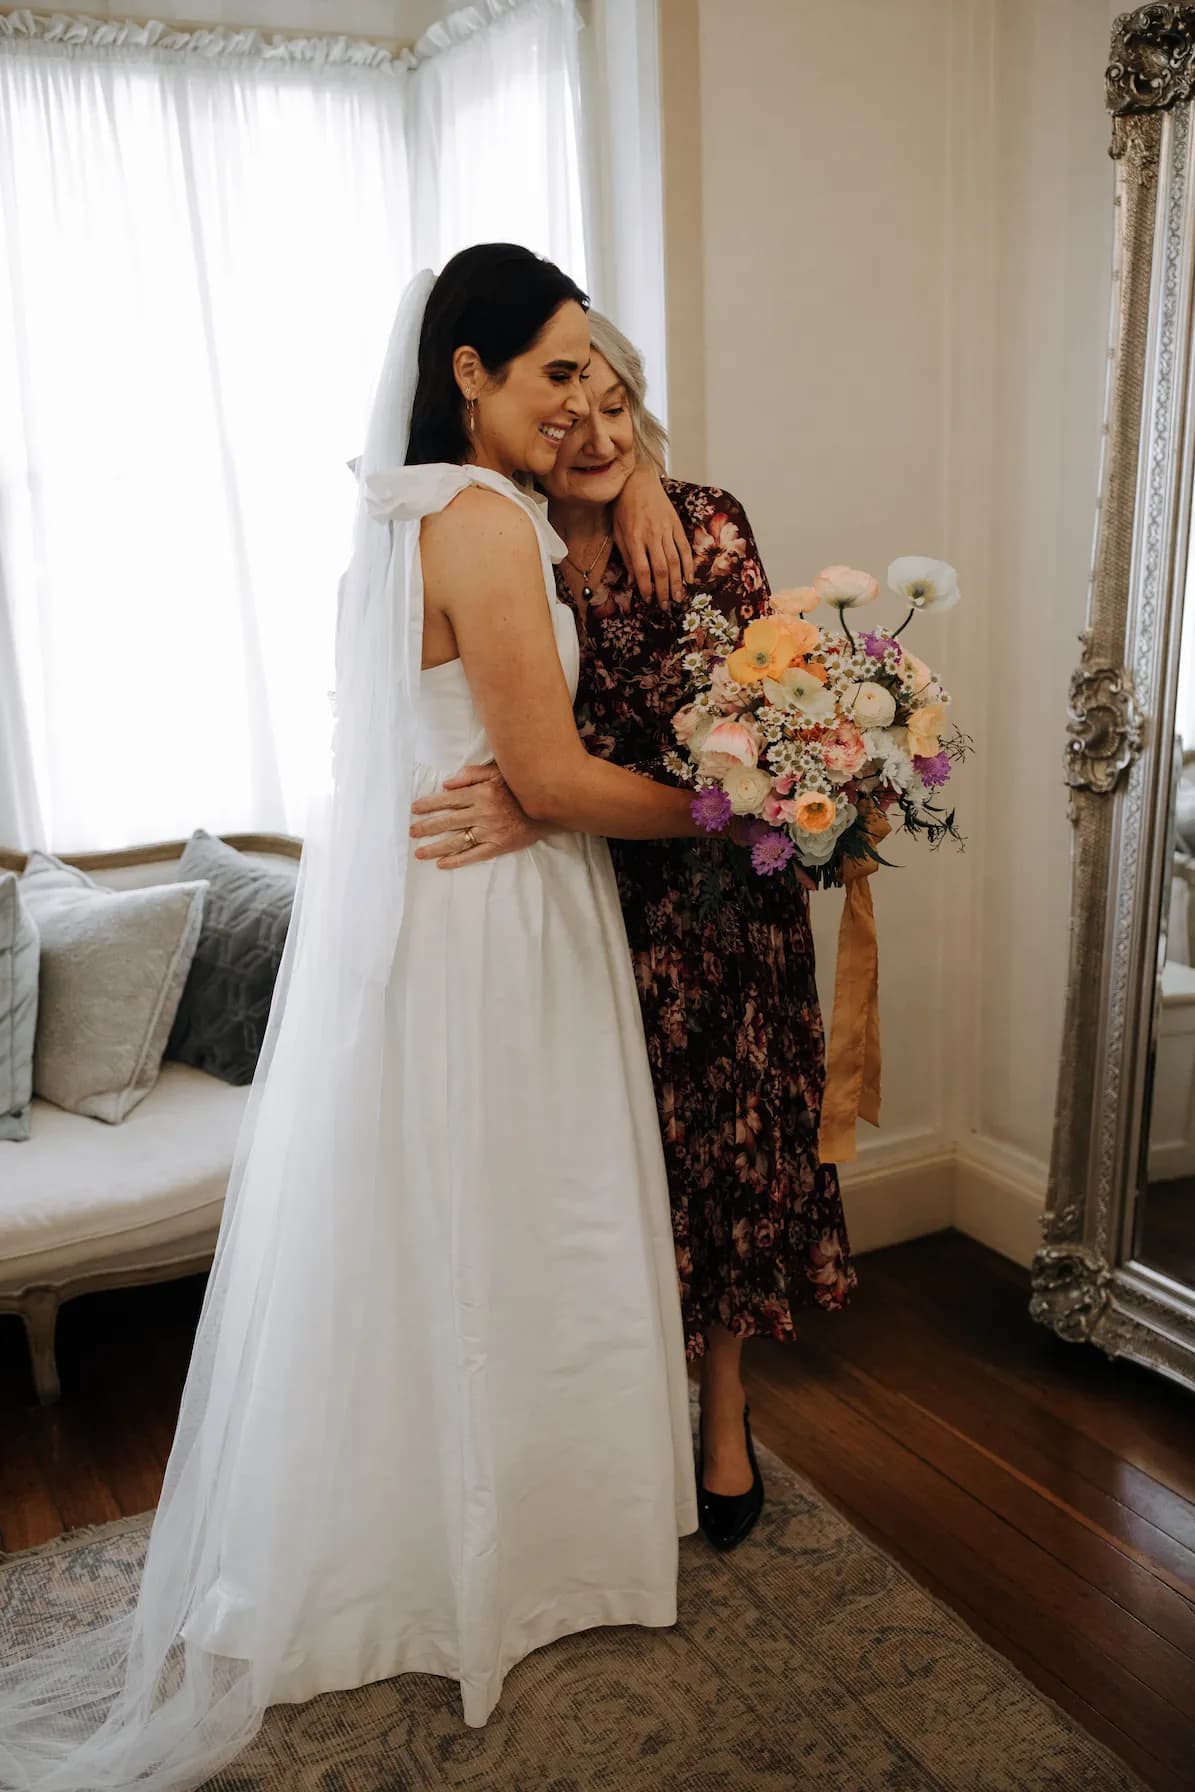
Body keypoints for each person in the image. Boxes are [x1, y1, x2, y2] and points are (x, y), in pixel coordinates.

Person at [0, 247, 705, 1790]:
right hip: (497, 924)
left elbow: (459, 749)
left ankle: (424, 1534)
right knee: (519, 1226)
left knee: (441, 1232)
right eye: (556, 373)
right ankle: (507, 1562)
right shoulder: (480, 523)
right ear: (471, 374)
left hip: (449, 907)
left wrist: (636, 470)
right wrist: (737, 808)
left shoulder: (403, 511)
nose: (586, 398)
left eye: (597, 371)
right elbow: (549, 775)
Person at [412, 312, 856, 1554]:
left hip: (725, 903)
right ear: (533, 421)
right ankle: (611, 1418)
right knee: (623, 1166)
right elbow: (524, 737)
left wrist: (656, 481)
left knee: (727, 1160)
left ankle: (724, 1409)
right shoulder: (510, 538)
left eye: (622, 408)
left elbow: (767, 710)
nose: (597, 432)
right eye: (574, 408)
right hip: (598, 905)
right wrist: (521, 790)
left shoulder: (705, 520)